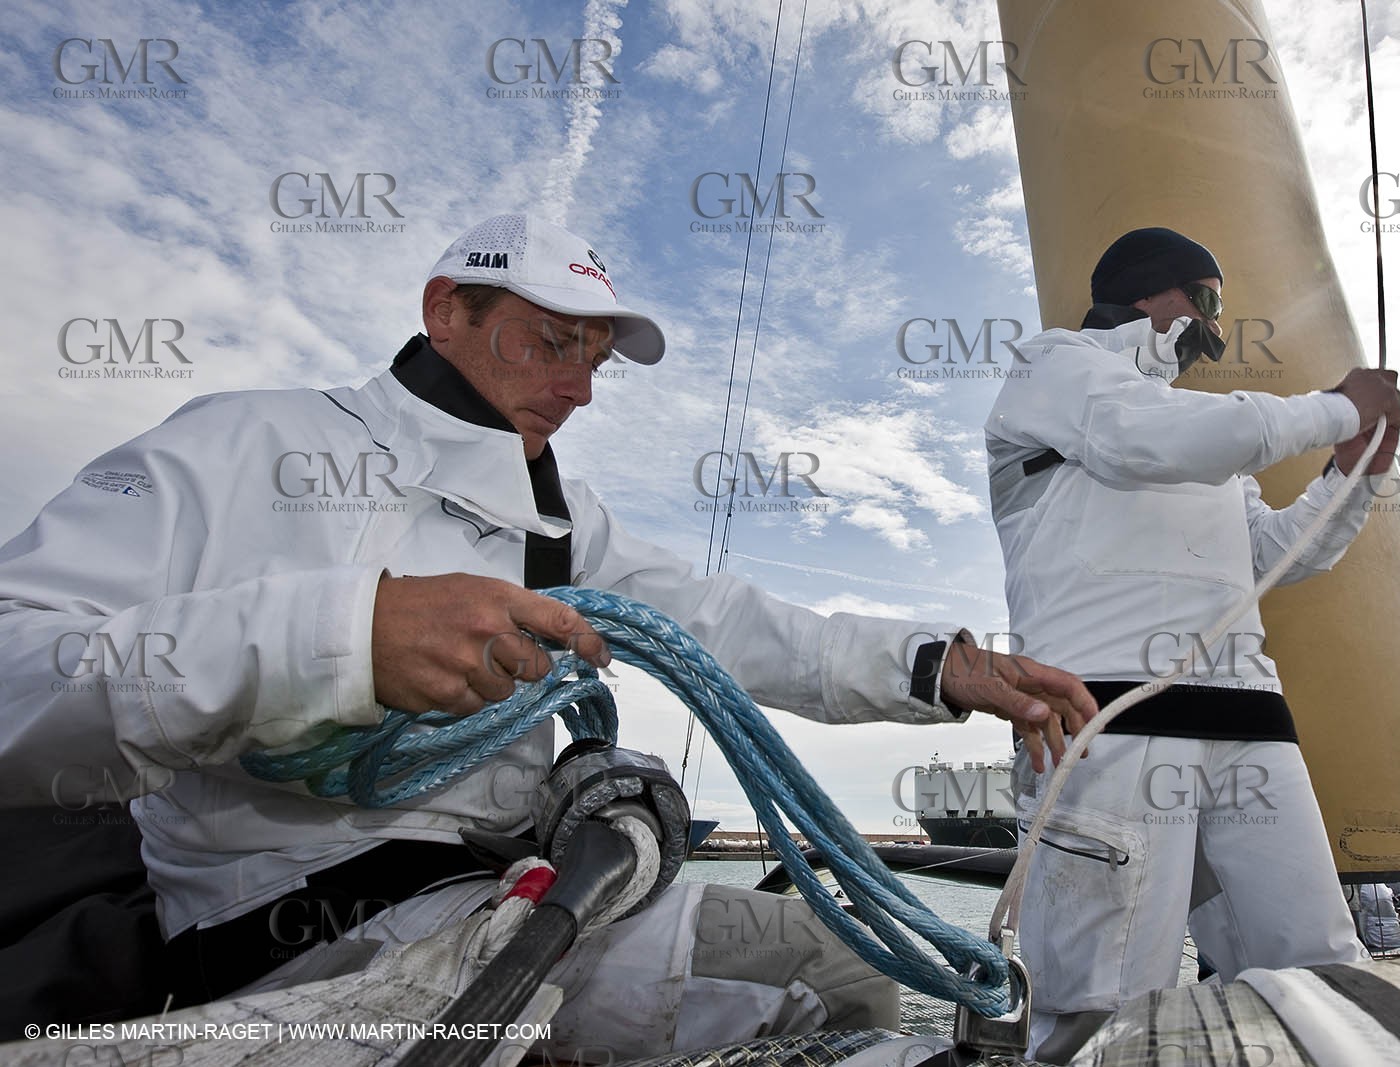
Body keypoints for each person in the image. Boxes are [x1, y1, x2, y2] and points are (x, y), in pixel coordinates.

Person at [0, 213, 1098, 1051]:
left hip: (518, 894)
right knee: (822, 985)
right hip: (283, 926)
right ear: (447, 310)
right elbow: (18, 662)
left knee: (856, 976)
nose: (575, 387)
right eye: (547, 343)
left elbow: (725, 624)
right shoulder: (242, 443)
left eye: (594, 360)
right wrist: (339, 634)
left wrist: (938, 666)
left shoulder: (559, 525)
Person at [983, 227, 1400, 1061]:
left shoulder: (1205, 438)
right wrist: (1338, 406)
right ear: (1153, 295)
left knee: (1321, 975)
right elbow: (1141, 440)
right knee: (1099, 1011)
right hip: (1108, 724)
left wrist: (1355, 471)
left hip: (1250, 725)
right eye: (1209, 300)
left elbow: (1279, 553)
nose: (1217, 324)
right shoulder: (1056, 366)